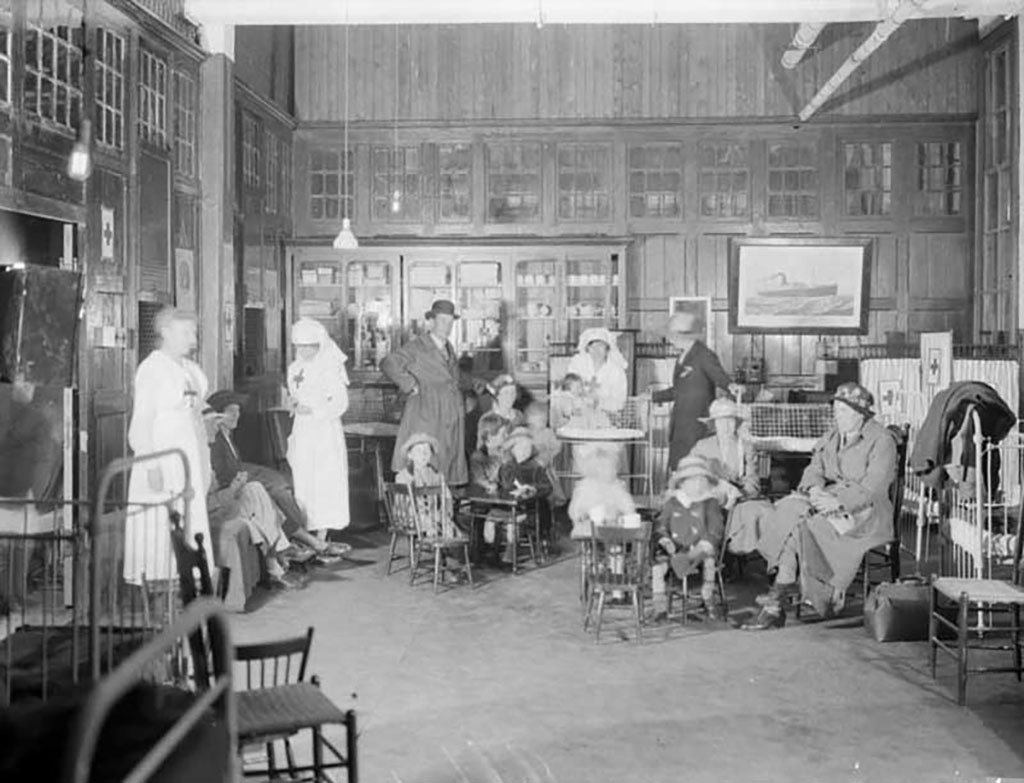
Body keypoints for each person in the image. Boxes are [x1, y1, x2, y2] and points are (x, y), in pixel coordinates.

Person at [741, 383, 898, 630]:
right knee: (786, 510)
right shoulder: (832, 436)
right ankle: (782, 593)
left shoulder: (881, 440)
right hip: (827, 497)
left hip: (867, 511)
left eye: (844, 412)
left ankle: (783, 598)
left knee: (806, 526)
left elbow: (875, 487)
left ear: (861, 413)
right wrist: (814, 489)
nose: (838, 417)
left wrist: (839, 502)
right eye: (836, 411)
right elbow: (814, 469)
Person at [124, 307, 213, 586]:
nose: (193, 338)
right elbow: (142, 423)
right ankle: (162, 583)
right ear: (165, 332)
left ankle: (191, 579)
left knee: (190, 516)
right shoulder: (152, 369)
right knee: (162, 521)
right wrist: (150, 465)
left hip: (189, 452)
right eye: (186, 332)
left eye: (194, 332)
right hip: (162, 456)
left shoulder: (188, 369)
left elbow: (196, 406)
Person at [206, 390, 350, 562]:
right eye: (231, 412)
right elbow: (223, 475)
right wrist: (240, 483)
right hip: (230, 491)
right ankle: (307, 543)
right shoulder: (215, 442)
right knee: (273, 495)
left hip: (240, 481)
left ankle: (305, 543)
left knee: (281, 487)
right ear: (218, 416)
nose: (237, 416)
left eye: (237, 411)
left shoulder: (227, 437)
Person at [202, 410, 306, 591]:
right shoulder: (198, 457)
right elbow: (207, 504)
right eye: (212, 423)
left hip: (224, 502)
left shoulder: (208, 449)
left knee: (255, 488)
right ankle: (275, 562)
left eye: (217, 422)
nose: (216, 427)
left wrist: (236, 485)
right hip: (213, 512)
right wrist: (233, 489)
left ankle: (278, 554)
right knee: (257, 510)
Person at [382, 300, 478, 486]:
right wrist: (409, 384)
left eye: (450, 322)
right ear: (431, 322)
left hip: (450, 411)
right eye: (442, 321)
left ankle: (444, 506)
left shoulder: (448, 347)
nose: (447, 326)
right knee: (427, 458)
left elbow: (453, 377)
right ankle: (424, 507)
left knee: (447, 461)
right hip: (427, 410)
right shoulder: (417, 346)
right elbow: (389, 363)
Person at [652, 312, 742, 471]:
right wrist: (652, 397)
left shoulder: (704, 355)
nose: (670, 340)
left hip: (696, 426)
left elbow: (719, 376)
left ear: (685, 336)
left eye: (673, 336)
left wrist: (730, 386)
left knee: (695, 466)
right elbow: (679, 390)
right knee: (679, 468)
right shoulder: (682, 357)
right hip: (680, 424)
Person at [286, 318, 351, 539]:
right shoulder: (294, 368)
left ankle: (323, 531)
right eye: (299, 347)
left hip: (324, 432)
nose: (303, 351)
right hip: (302, 430)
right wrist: (294, 404)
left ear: (318, 345)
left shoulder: (330, 368)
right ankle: (306, 529)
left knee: (323, 479)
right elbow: (296, 395)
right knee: (303, 478)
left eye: (308, 346)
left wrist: (314, 411)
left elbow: (340, 403)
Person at [651, 456, 726, 622]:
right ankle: (659, 607)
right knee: (658, 568)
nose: (697, 483)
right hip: (674, 550)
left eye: (700, 479)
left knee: (709, 563)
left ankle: (708, 600)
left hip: (700, 550)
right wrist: (665, 540)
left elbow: (715, 529)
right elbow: (661, 524)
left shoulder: (710, 503)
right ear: (682, 482)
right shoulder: (672, 502)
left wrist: (703, 545)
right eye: (692, 479)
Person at [689, 398, 761, 512]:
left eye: (730, 421)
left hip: (737, 502)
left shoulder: (746, 447)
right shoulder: (701, 446)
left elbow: (753, 481)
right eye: (721, 421)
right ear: (714, 424)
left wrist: (740, 495)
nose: (726, 426)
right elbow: (690, 473)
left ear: (736, 423)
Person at [567, 443, 637, 540]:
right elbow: (575, 511)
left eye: (612, 468)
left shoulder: (617, 487)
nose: (611, 471)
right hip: (589, 530)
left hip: (613, 530)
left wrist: (624, 514)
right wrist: (581, 515)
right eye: (605, 468)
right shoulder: (585, 486)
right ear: (596, 469)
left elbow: (628, 507)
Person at [566, 328, 628, 415]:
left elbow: (620, 403)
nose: (596, 350)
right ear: (587, 348)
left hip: (607, 418)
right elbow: (568, 391)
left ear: (607, 348)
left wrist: (599, 402)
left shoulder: (617, 371)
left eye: (600, 346)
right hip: (578, 416)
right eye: (592, 346)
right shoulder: (577, 365)